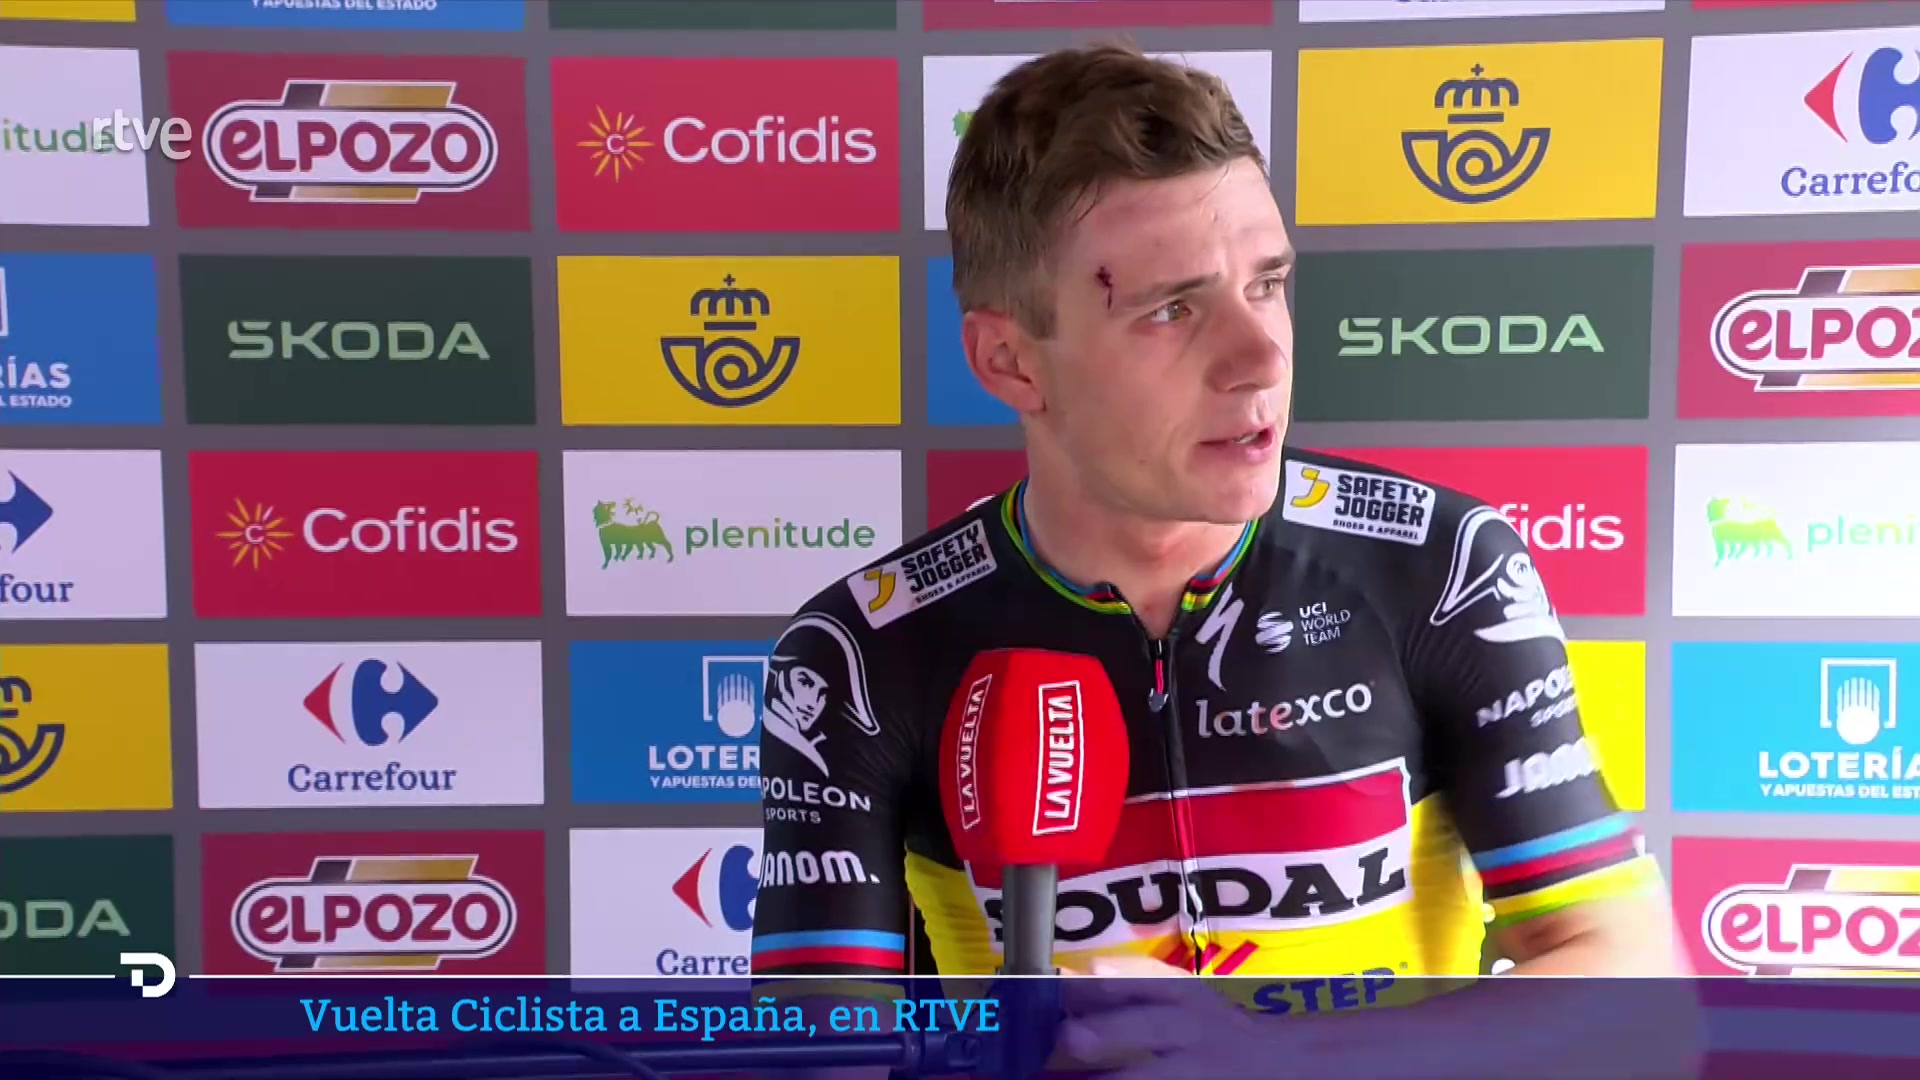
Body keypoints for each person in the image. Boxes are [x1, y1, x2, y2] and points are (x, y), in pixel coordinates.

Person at [752, 40, 1691, 1076]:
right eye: (1172, 309)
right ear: (1011, 361)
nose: (1261, 357)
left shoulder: (1440, 567)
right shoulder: (862, 651)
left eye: (1268, 283)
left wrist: (1282, 1059)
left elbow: (1643, 1007)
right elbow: (813, 1056)